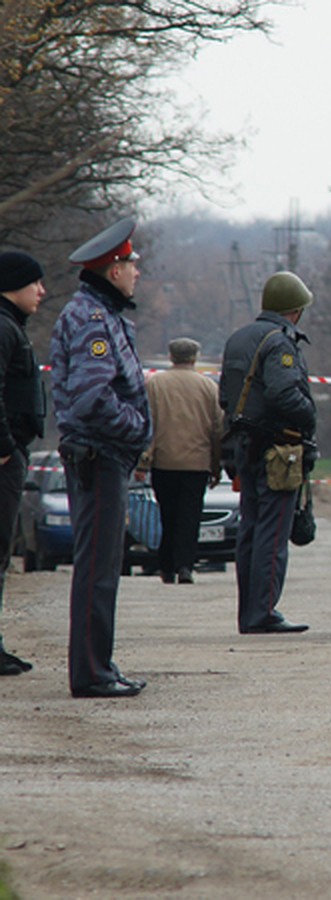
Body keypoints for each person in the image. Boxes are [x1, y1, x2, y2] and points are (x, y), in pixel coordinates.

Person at [50, 217, 152, 698]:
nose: (137, 271)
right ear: (112, 270)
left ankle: (101, 666)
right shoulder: (93, 319)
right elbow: (92, 396)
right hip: (99, 454)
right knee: (96, 568)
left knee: (105, 566)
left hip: (105, 454)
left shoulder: (101, 313)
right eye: (131, 263)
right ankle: (92, 673)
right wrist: (136, 430)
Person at [219, 271, 317, 635]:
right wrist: (310, 416)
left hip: (244, 446)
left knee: (251, 529)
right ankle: (264, 612)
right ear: (295, 309)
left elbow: (225, 397)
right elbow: (283, 393)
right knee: (273, 534)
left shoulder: (237, 339)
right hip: (278, 448)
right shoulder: (280, 342)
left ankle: (249, 612)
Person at [0, 252, 46, 676]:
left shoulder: (12, 327)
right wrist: (4, 447)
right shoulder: (3, 327)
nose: (42, 291)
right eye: (35, 283)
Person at [143, 337, 223, 585]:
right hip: (196, 464)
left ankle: (165, 566)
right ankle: (185, 565)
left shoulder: (155, 384)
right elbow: (217, 429)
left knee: (167, 515)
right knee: (190, 517)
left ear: (170, 357)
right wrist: (216, 465)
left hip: (164, 461)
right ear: (195, 358)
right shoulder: (208, 387)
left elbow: (147, 423)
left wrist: (143, 461)